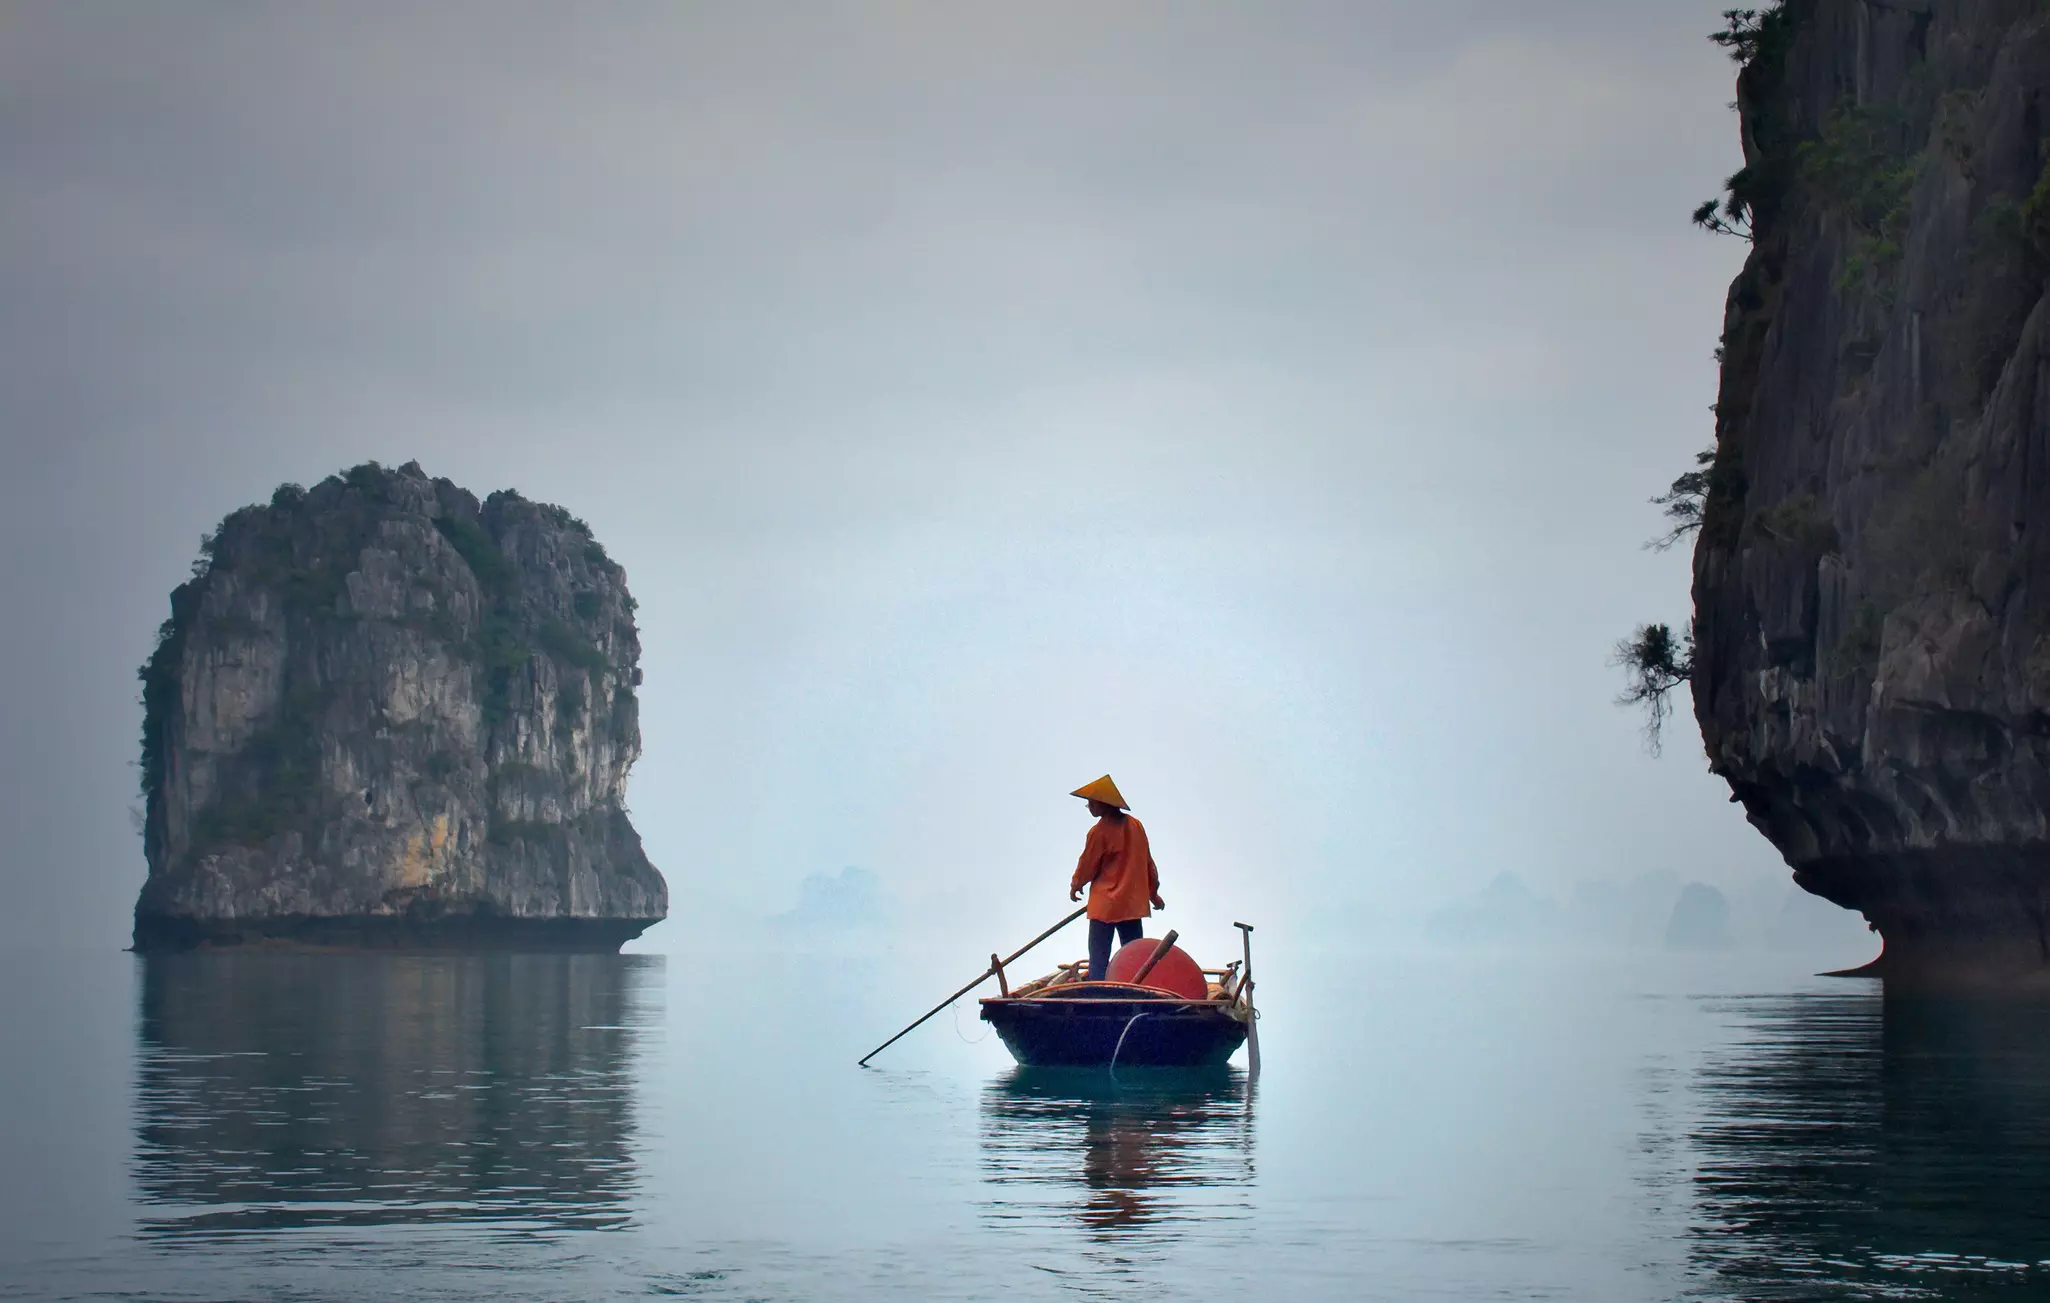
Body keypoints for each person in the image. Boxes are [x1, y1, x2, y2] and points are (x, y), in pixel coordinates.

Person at [1067, 775, 1165, 981]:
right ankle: (1135, 989)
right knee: (1135, 958)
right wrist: (1153, 894)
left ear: (1103, 804)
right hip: (1132, 904)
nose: (1089, 806)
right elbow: (1148, 864)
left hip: (1105, 908)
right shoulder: (1136, 826)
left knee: (1099, 960)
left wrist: (1076, 884)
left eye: (1091, 802)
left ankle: (1098, 994)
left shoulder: (1099, 832)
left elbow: (1087, 865)